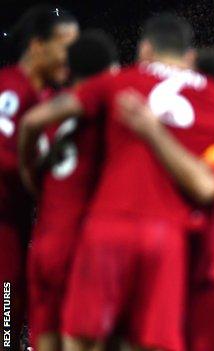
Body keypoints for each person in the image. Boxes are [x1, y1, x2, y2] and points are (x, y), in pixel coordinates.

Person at [18, 14, 214, 351]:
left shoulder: (120, 81)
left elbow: (35, 121)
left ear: (144, 48)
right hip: (172, 237)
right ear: (188, 58)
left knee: (79, 340)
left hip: (106, 224)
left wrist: (29, 175)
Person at [27, 30, 116, 351]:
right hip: (91, 243)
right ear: (111, 71)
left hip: (47, 243)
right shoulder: (113, 109)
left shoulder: (42, 112)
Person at [0, 6, 78, 350]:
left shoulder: (51, 101)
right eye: (64, 46)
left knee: (9, 324)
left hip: (19, 230)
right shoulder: (10, 89)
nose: (69, 57)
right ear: (36, 46)